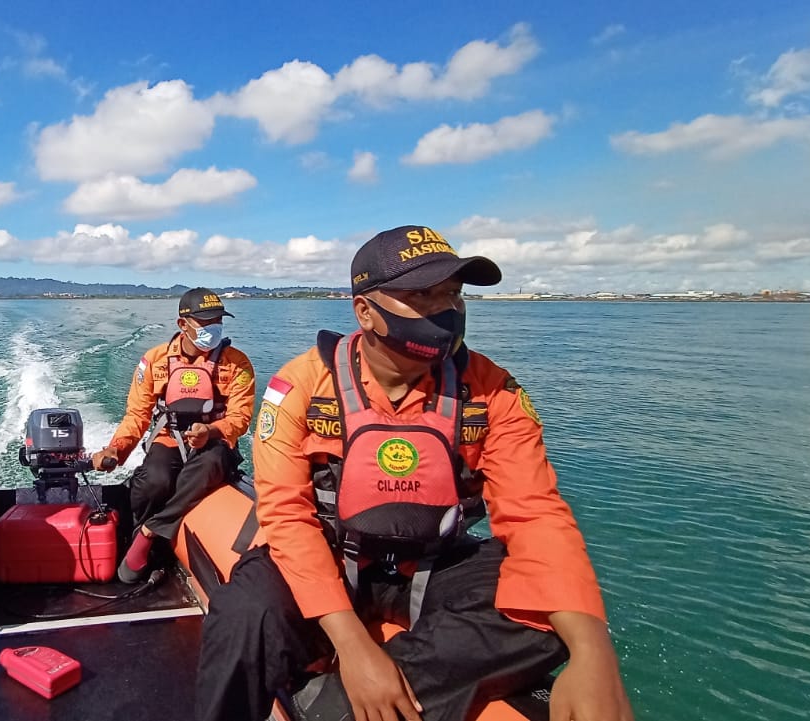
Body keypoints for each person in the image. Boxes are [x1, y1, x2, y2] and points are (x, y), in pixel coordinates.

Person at [195, 227, 633, 721]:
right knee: (241, 616)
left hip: (433, 562)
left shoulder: (493, 391)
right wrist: (353, 644)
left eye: (452, 293)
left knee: (548, 616)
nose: (445, 309)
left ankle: (335, 705)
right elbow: (287, 517)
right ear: (365, 312)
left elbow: (535, 514)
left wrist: (594, 651)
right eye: (423, 295)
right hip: (331, 552)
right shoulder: (300, 387)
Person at [91, 288, 256, 583]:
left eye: (218, 321)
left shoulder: (238, 364)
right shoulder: (155, 361)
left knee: (206, 468)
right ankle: (140, 544)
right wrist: (116, 450)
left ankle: (149, 532)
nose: (213, 329)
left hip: (215, 442)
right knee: (153, 481)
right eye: (205, 323)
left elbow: (240, 418)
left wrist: (212, 430)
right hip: (169, 437)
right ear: (183, 324)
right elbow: (137, 415)